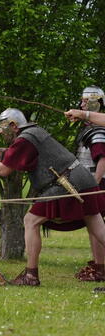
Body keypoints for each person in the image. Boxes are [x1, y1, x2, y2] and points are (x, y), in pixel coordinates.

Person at [0, 108, 105, 286]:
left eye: (3, 127)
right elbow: (13, 153)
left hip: (67, 184)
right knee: (97, 226)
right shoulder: (32, 133)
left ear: (13, 125)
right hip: (83, 180)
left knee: (30, 221)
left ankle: (30, 275)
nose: (0, 131)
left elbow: (4, 169)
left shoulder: (25, 139)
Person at [67, 86, 105, 281]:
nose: (81, 104)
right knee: (93, 226)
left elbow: (103, 160)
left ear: (94, 103)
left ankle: (101, 268)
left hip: (98, 184)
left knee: (97, 226)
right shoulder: (90, 128)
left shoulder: (98, 131)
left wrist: (95, 186)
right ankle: (99, 266)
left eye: (84, 101)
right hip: (92, 184)